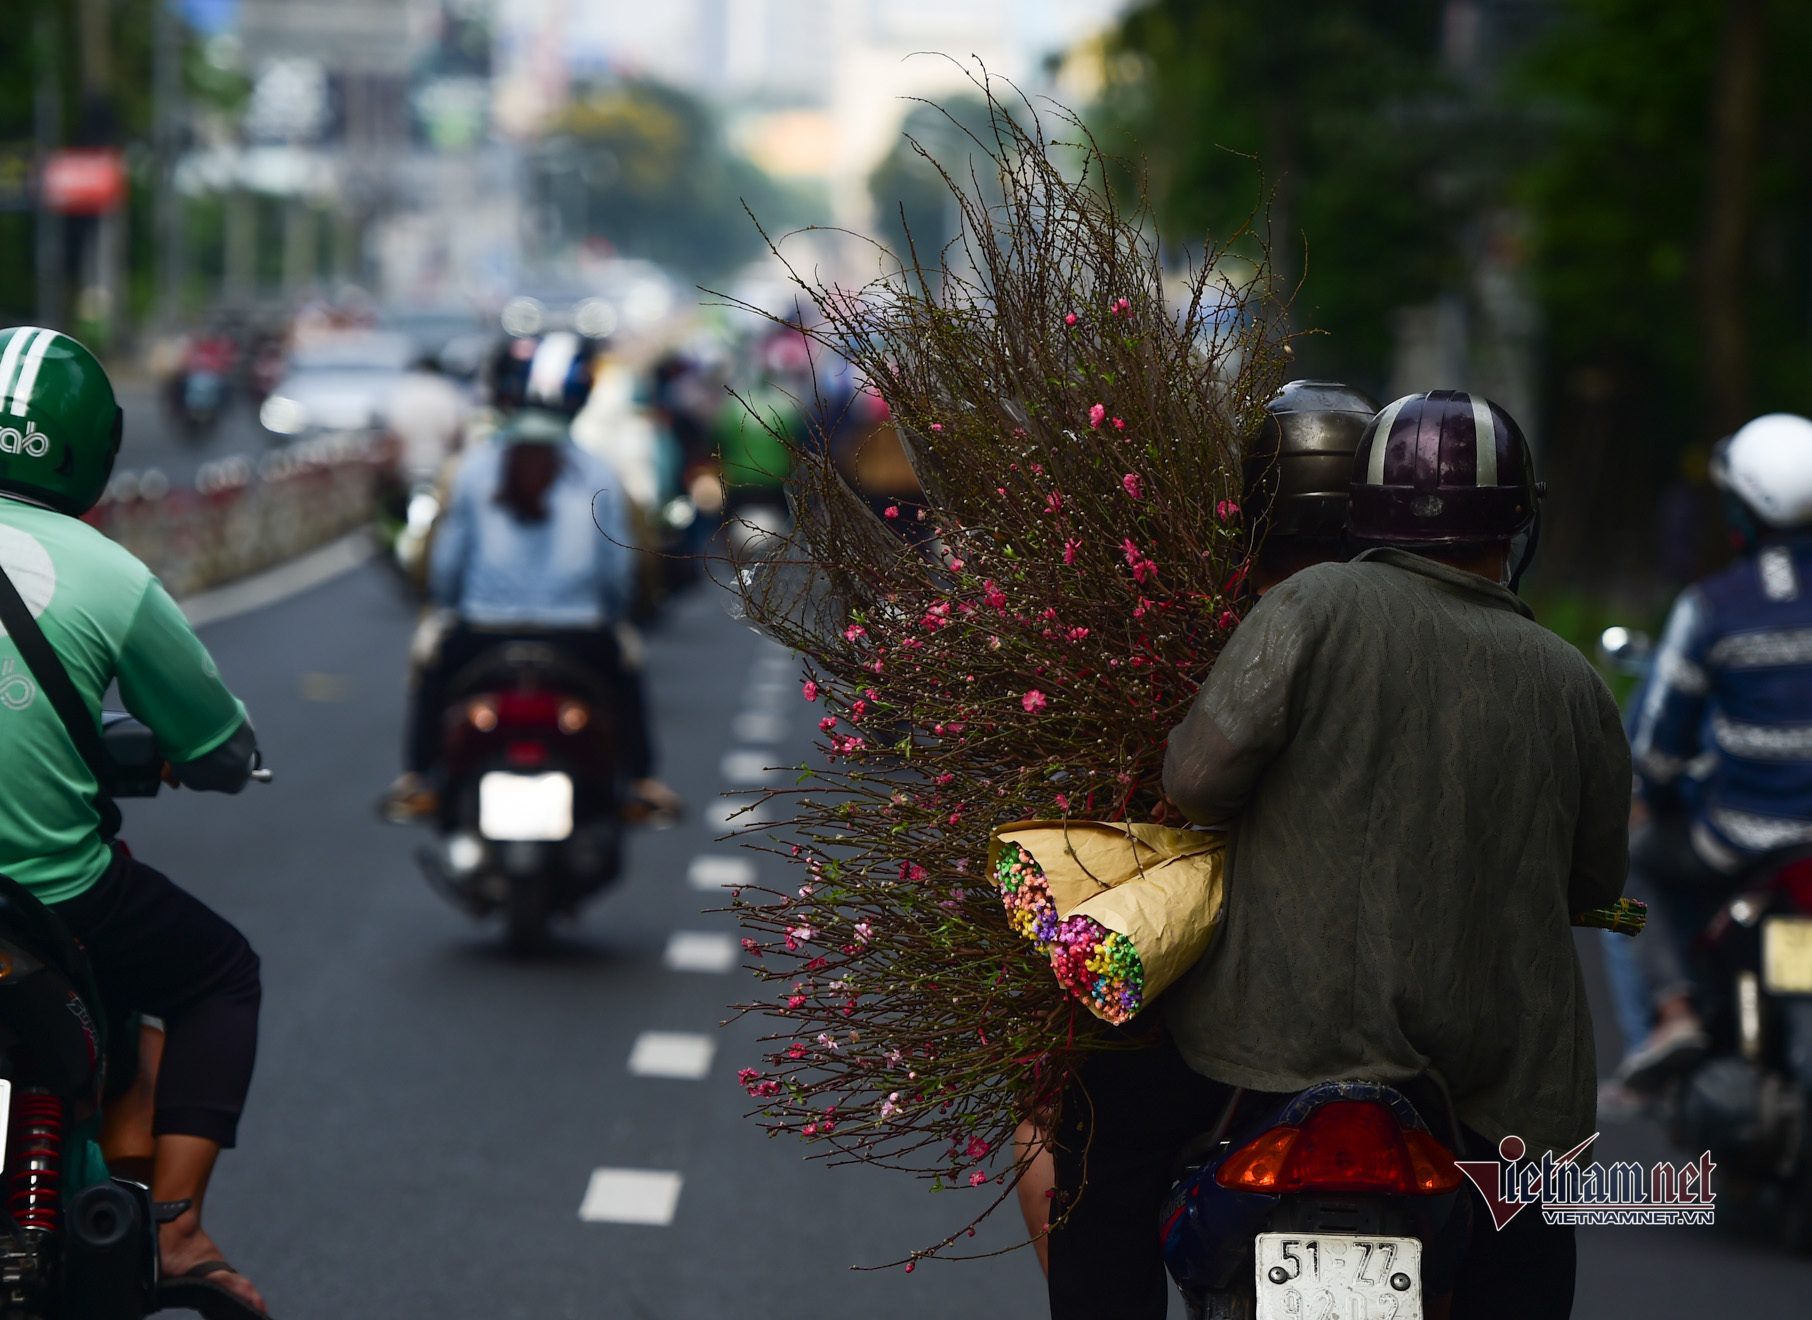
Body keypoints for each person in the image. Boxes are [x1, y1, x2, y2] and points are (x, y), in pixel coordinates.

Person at [1149, 391, 1629, 1320]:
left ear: (1363, 511)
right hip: (1494, 1088)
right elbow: (1597, 886)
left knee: (1116, 1138)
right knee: (1524, 1253)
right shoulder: (1573, 682)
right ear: (1518, 521)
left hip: (1273, 1053)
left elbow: (1197, 782)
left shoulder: (1313, 608)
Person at [1034, 380, 1377, 1297]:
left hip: (1234, 1022)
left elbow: (1191, 787)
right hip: (1410, 1017)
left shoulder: (1208, 630)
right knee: (1520, 1198)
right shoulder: (1444, 634)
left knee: (1104, 1163)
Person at [0, 328, 269, 1315]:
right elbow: (215, 744)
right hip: (50, 897)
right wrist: (222, 765)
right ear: (93, 450)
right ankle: (181, 1227)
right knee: (218, 972)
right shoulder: (110, 576)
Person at [384, 332, 678, 818]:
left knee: (432, 667)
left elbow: (444, 570)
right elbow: (620, 571)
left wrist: (448, 608)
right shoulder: (600, 473)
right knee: (627, 671)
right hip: (579, 638)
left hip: (481, 635)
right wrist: (616, 614)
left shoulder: (470, 470)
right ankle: (644, 782)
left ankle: (418, 778)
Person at [1614, 413, 1812, 1090]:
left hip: (1739, 842)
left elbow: (1660, 748)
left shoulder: (1713, 607)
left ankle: (1673, 1013)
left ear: (1745, 508)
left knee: (1625, 862)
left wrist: (1650, 795)